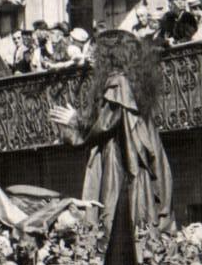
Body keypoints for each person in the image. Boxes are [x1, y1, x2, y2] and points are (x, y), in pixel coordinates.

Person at [49, 30, 173, 228]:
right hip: (125, 148)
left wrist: (76, 120)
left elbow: (106, 123)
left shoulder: (119, 83)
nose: (93, 57)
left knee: (118, 207)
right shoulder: (130, 80)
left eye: (97, 52)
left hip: (122, 155)